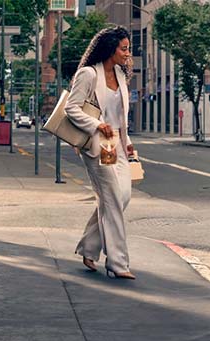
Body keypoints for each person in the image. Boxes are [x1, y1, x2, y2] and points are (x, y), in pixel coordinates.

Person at [66, 26, 136, 280]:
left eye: (129, 48)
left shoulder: (120, 74)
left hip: (115, 142)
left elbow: (120, 116)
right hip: (98, 142)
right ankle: (118, 263)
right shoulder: (88, 74)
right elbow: (71, 109)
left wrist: (127, 143)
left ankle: (89, 246)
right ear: (110, 49)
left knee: (122, 196)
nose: (128, 54)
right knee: (112, 199)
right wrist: (97, 125)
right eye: (124, 48)